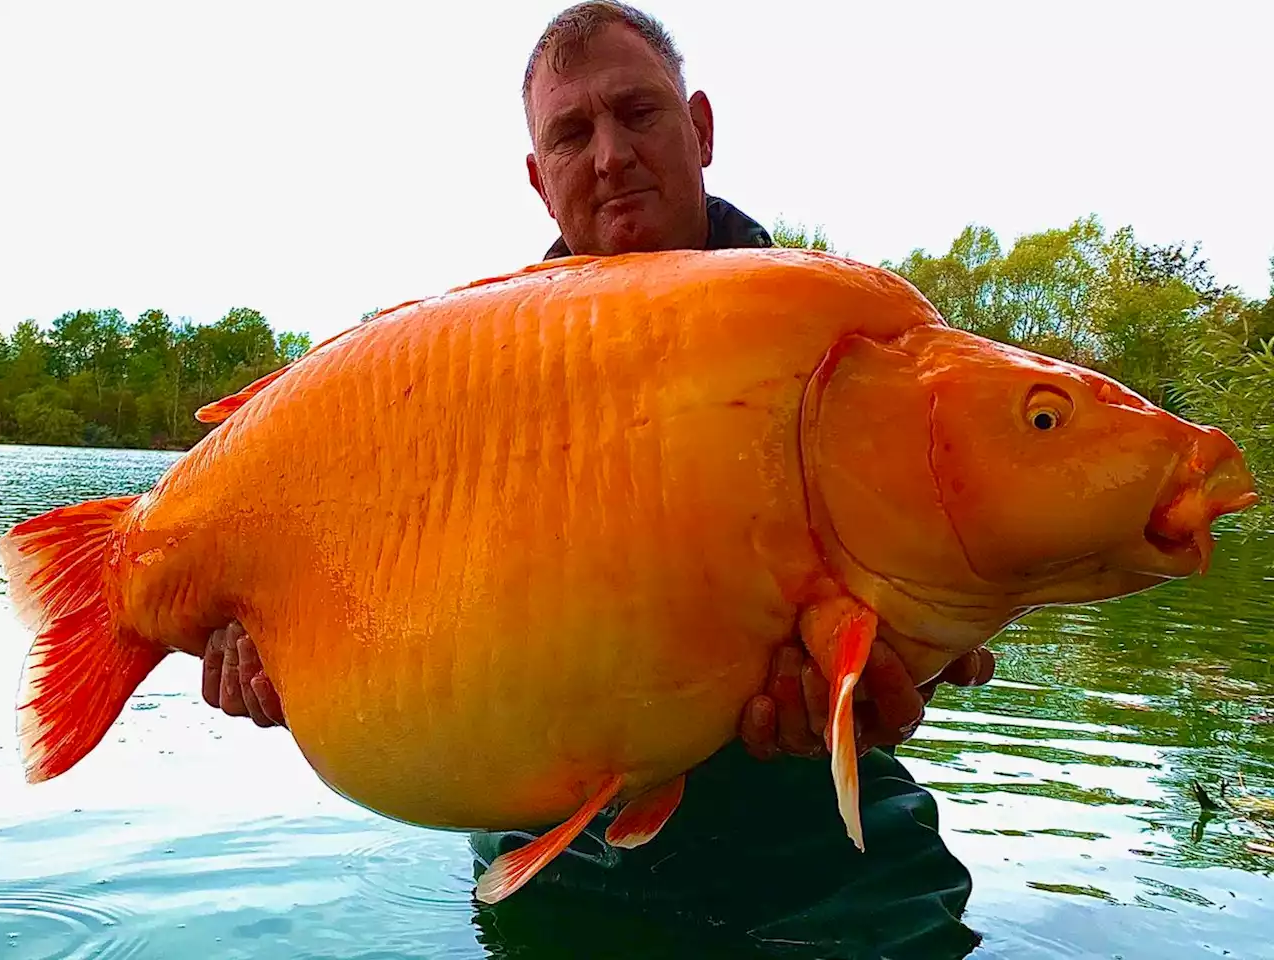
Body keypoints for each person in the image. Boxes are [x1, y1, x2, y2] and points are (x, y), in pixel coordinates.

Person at [201, 4, 993, 955]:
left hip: (828, 853)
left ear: (699, 128)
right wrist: (280, 653)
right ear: (540, 180)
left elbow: (944, 617)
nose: (611, 155)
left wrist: (913, 671)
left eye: (638, 113)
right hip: (560, 853)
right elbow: (382, 598)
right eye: (572, 134)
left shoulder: (849, 347)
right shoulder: (464, 375)